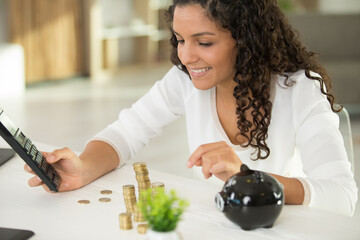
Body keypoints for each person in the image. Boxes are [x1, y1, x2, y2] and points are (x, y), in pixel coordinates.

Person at [25, 0, 357, 216]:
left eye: (204, 42)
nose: (185, 56)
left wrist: (249, 179)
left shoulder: (300, 89)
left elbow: (342, 197)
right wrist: (82, 168)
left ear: (247, 38)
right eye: (180, 40)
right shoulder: (184, 80)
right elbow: (126, 133)